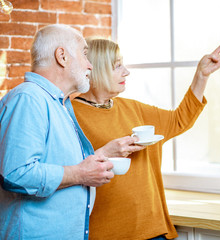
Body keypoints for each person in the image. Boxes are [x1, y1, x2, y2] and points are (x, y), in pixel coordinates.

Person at [72, 38, 220, 240]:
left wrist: (201, 76)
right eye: (117, 66)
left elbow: (178, 120)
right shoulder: (70, 114)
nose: (126, 71)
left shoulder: (132, 108)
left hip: (152, 230)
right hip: (105, 233)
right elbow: (68, 172)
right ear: (96, 70)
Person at [0, 24, 143, 240]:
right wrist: (80, 174)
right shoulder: (28, 99)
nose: (90, 65)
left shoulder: (60, 104)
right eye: (85, 55)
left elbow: (61, 163)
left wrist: (101, 155)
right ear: (62, 57)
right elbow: (16, 173)